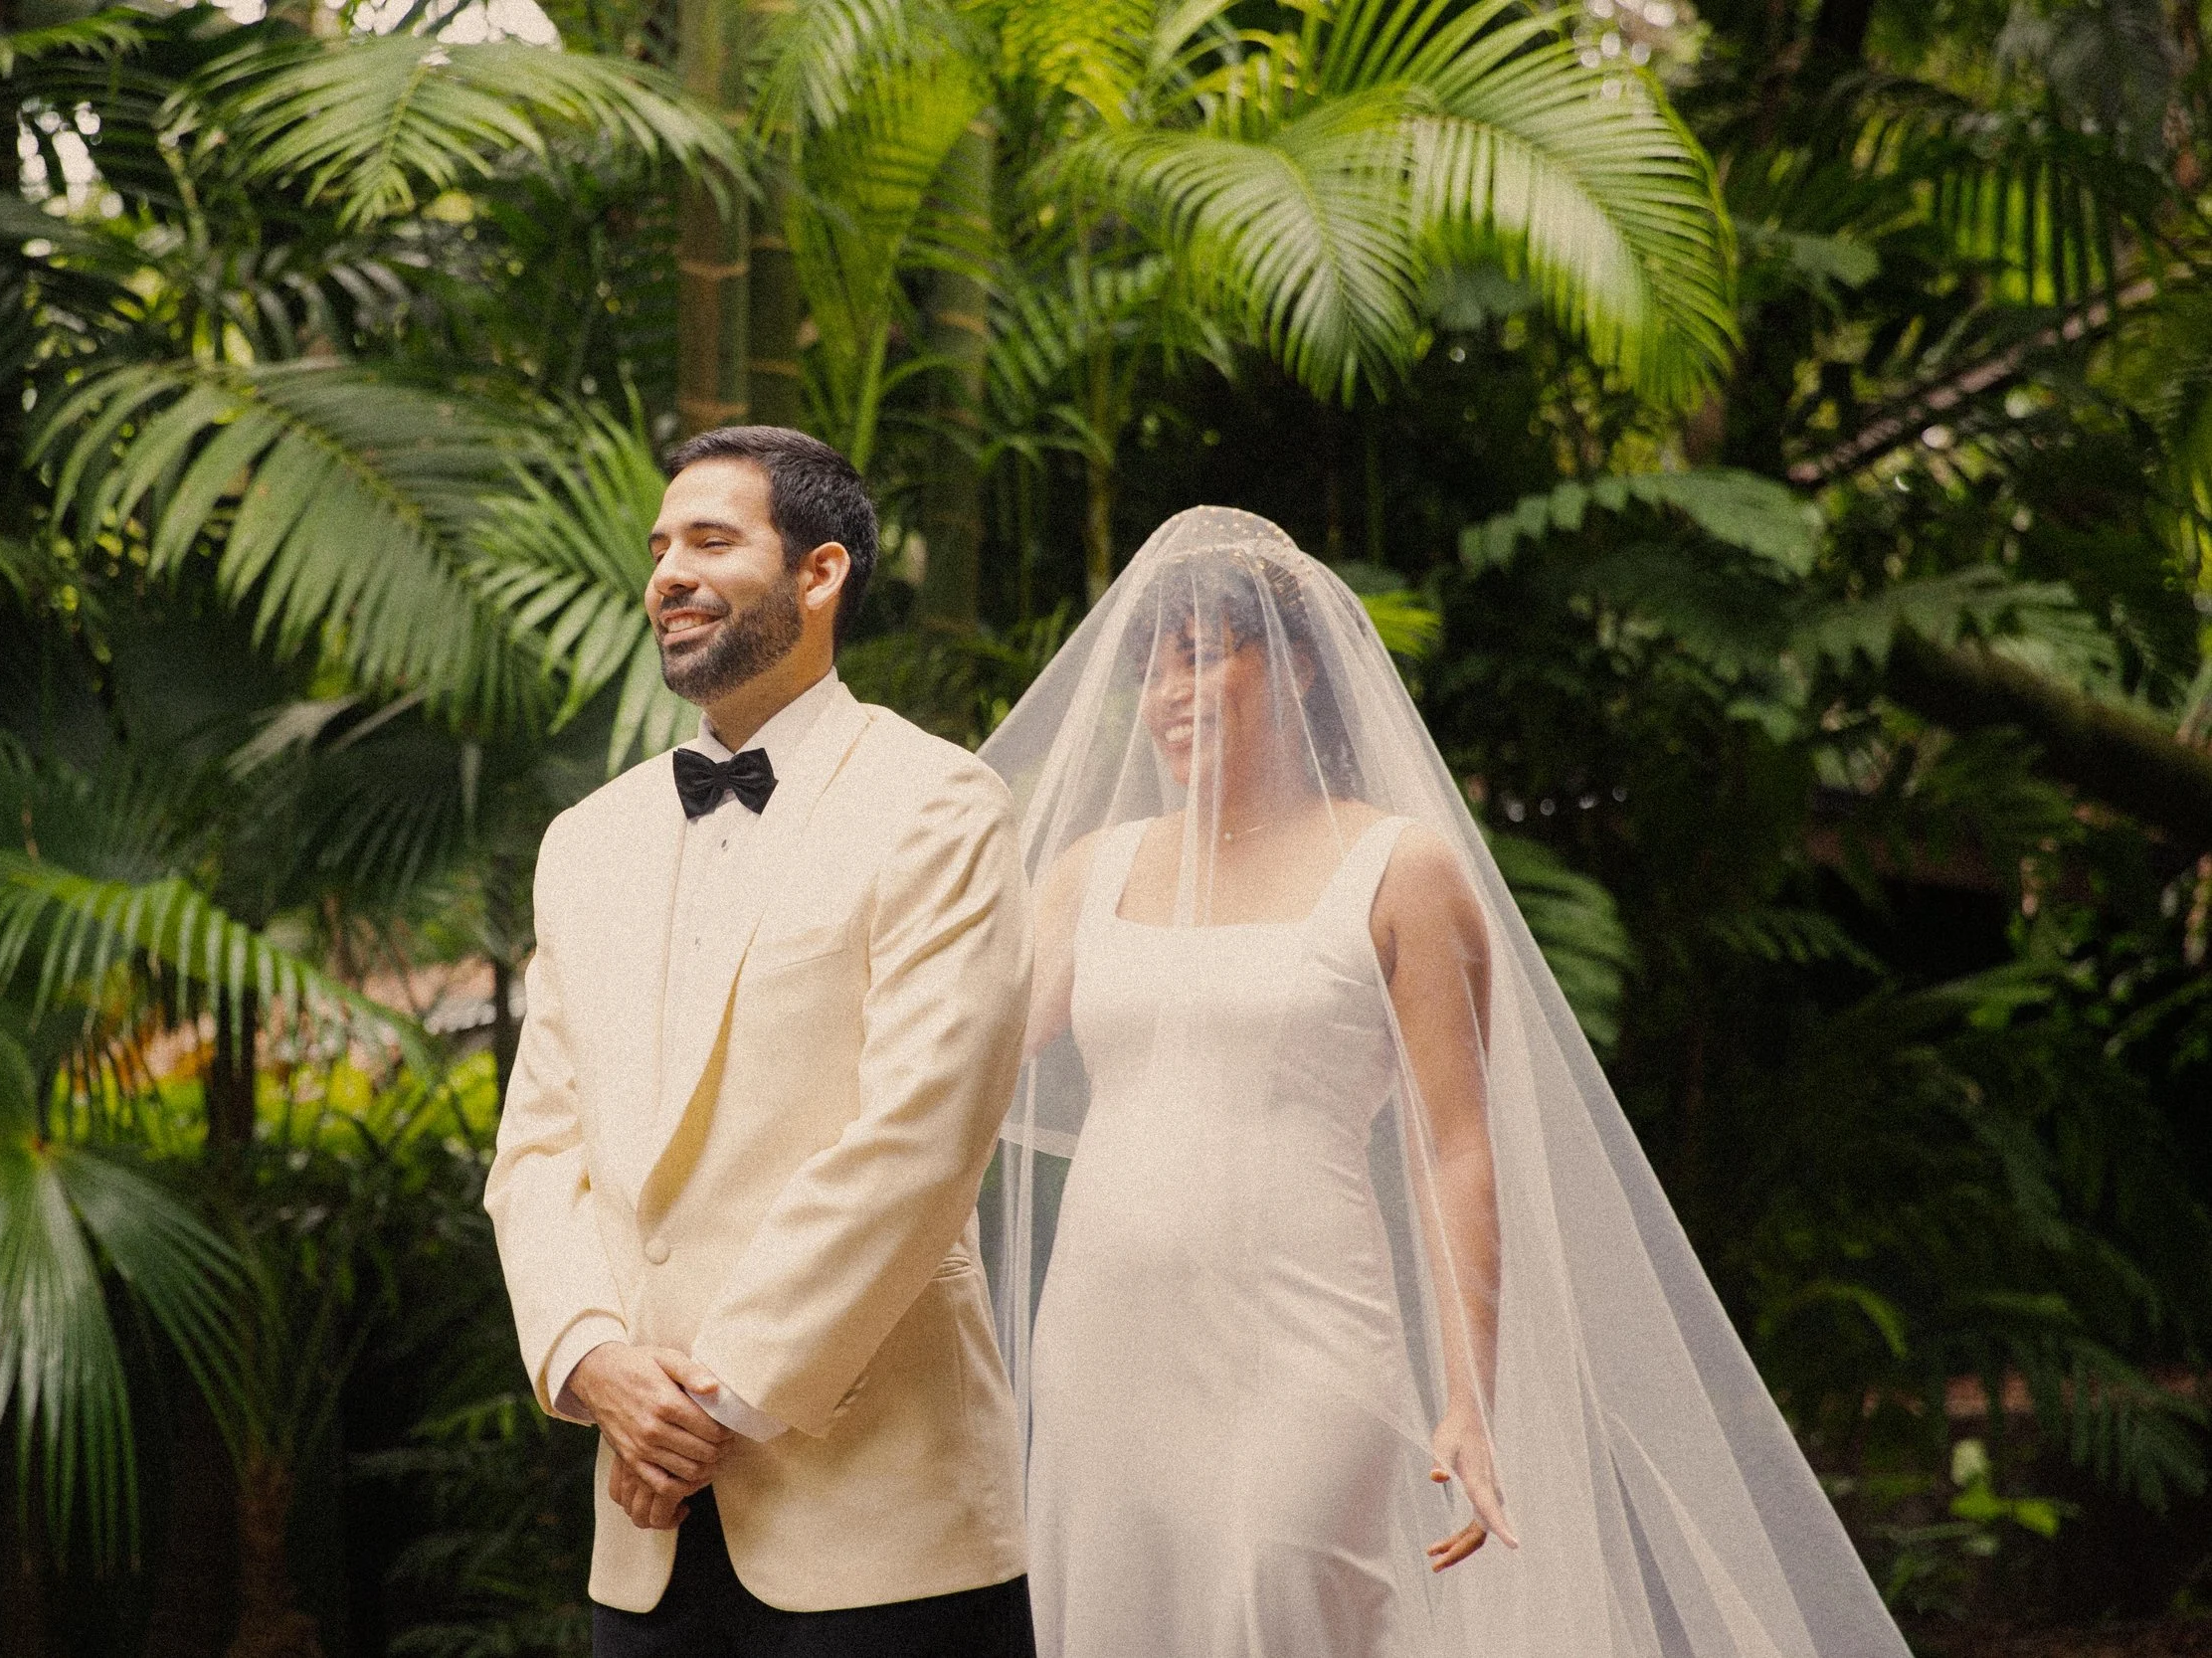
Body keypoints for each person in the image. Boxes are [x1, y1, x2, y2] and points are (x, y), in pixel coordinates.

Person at [979, 507, 1913, 1658]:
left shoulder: (1399, 866)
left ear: (1298, 660)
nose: (1170, 693)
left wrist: (1471, 1389)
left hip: (1304, 1332)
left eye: (1206, 653)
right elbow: (963, 1065)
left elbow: (1455, 1143)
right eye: (1154, 666)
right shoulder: (1092, 869)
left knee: (1291, 1599)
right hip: (1106, 1335)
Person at [486, 426, 1036, 1658]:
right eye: (658, 546)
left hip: (884, 1518)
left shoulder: (941, 804)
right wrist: (593, 1362)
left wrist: (715, 1401)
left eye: (711, 540)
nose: (666, 571)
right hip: (645, 1532)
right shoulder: (585, 839)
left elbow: (920, 1140)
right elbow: (538, 1151)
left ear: (819, 572)